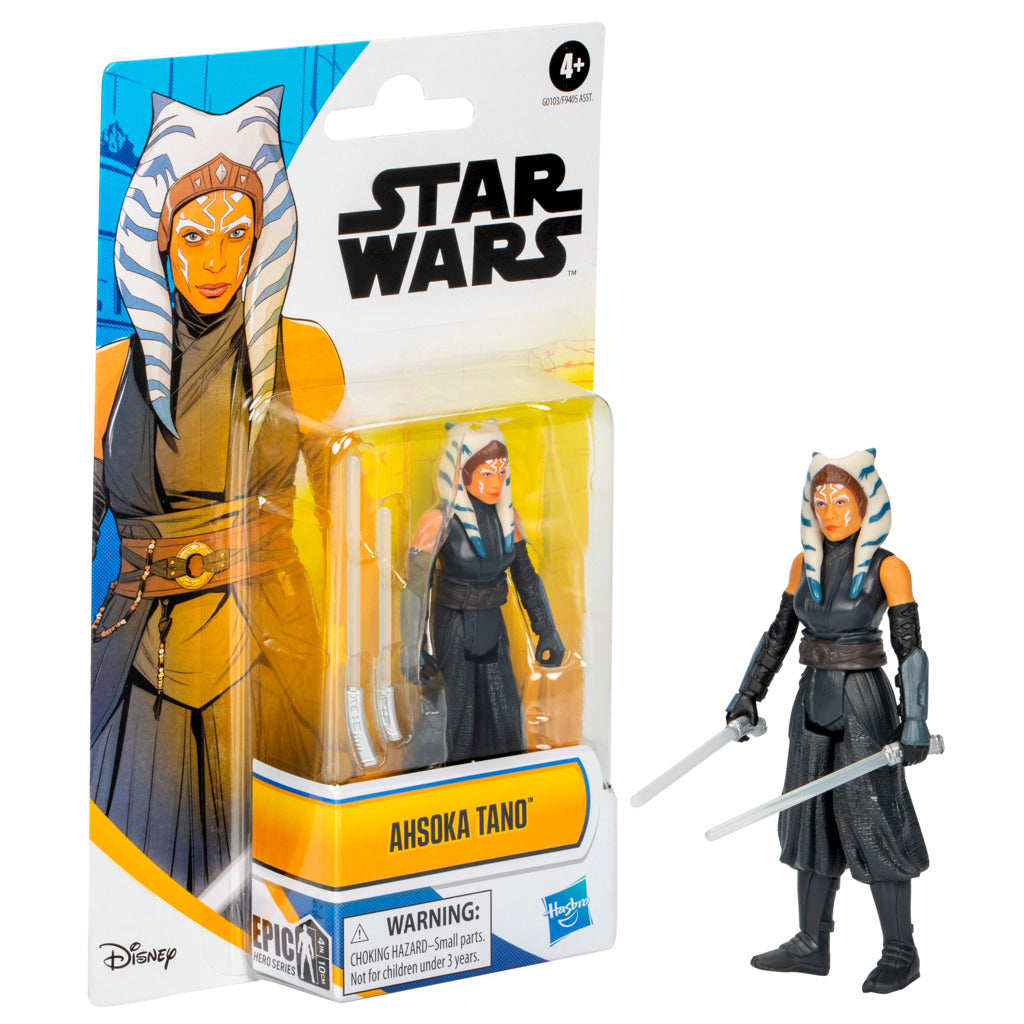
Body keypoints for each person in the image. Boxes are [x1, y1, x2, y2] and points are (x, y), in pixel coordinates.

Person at [90, 89, 345, 918]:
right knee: (141, 894)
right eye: (194, 236)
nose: (216, 260)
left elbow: (348, 519)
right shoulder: (107, 377)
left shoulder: (305, 354)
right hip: (142, 664)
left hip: (270, 650)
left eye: (238, 234)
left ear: (262, 241)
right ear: (161, 243)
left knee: (287, 889)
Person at [725, 450, 931, 994]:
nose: (831, 513)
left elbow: (910, 649)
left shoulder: (889, 568)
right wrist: (748, 694)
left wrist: (915, 718)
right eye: (821, 503)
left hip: (863, 701)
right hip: (812, 698)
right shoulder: (804, 566)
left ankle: (900, 950)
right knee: (807, 816)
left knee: (875, 818)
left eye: (842, 501)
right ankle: (811, 943)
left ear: (866, 505)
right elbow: (779, 634)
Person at [402, 421, 565, 765]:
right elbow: (416, 589)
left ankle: (503, 777)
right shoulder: (437, 522)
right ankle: (439, 779)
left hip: (493, 623)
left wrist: (546, 629)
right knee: (454, 716)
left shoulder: (508, 520)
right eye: (487, 473)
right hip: (453, 627)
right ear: (462, 473)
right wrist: (412, 647)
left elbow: (526, 577)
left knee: (503, 713)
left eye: (502, 473)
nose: (496, 483)